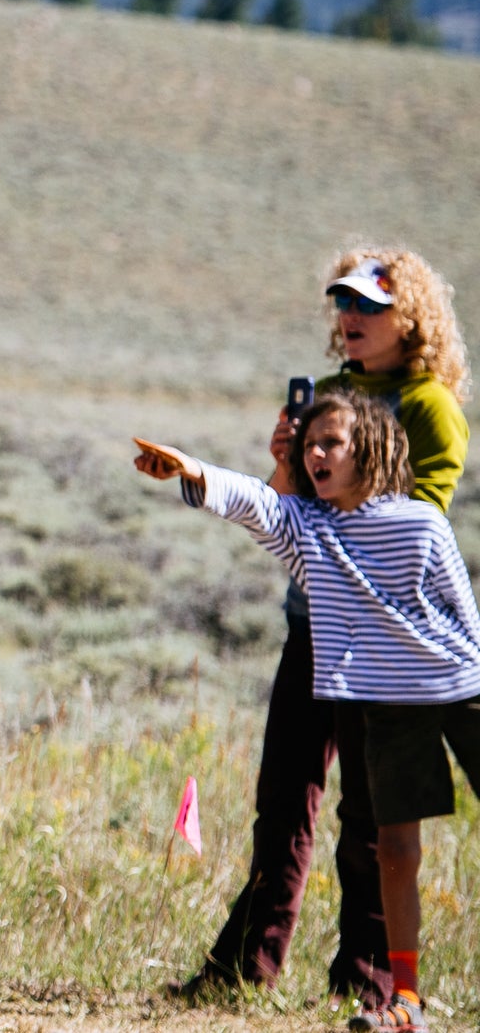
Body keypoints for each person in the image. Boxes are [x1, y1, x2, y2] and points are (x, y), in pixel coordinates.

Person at [176, 247, 469, 1008]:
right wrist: (285, 463)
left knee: (371, 822)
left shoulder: (432, 405)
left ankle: (368, 987)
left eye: (370, 306)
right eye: (344, 304)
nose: (351, 318)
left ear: (411, 318)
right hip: (314, 626)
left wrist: (340, 480)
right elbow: (291, 513)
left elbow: (417, 523)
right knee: (282, 801)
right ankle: (243, 971)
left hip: (386, 647)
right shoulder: (331, 394)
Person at [136, 387, 480, 1033]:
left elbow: (464, 618)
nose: (313, 453)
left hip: (459, 685)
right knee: (396, 853)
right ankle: (405, 1002)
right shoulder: (309, 532)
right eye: (308, 444)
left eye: (331, 444)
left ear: (370, 451)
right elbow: (257, 502)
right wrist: (194, 470)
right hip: (389, 707)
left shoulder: (421, 524)